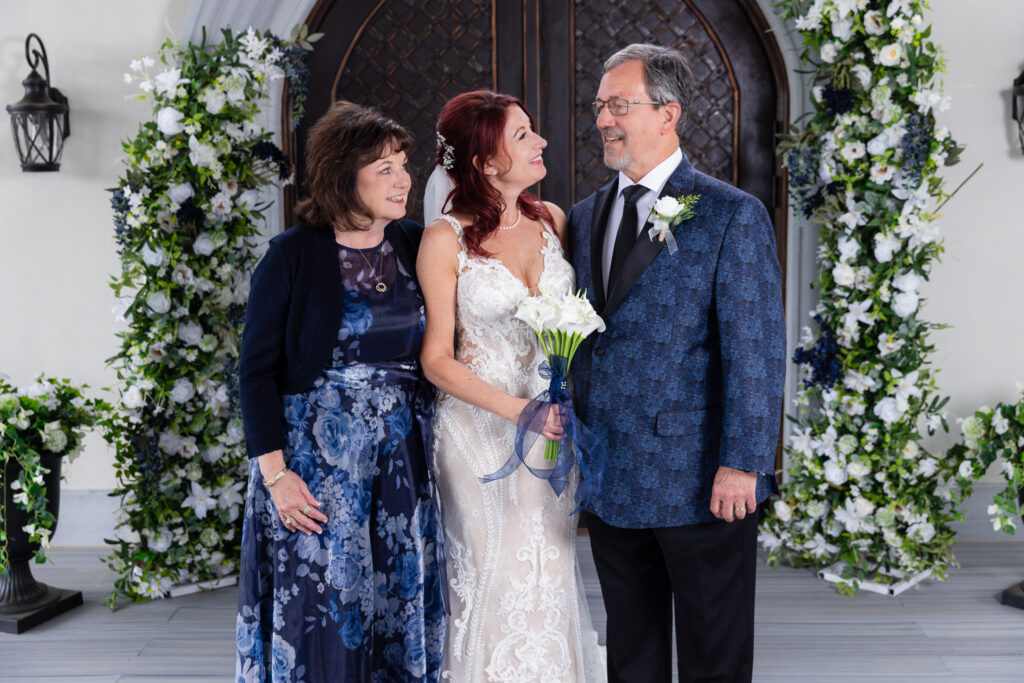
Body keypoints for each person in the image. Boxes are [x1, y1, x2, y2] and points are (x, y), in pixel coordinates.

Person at [568, 44, 786, 682]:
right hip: (611, 476)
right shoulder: (584, 217)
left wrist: (743, 464)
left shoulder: (730, 215)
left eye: (619, 105)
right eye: (600, 105)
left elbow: (756, 350)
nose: (604, 119)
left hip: (701, 479)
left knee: (712, 651)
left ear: (669, 114)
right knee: (630, 651)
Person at [235, 100, 446, 682]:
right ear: (341, 176)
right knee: (322, 611)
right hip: (314, 467)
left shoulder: (415, 242)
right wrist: (277, 477)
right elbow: (254, 372)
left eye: (404, 164)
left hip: (401, 464)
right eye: (385, 168)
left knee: (395, 605)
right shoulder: (292, 254)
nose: (403, 179)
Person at [418, 90, 605, 682]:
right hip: (479, 432)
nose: (541, 141)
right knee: (493, 570)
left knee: (548, 567)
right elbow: (436, 360)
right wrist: (517, 408)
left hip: (550, 429)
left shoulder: (554, 220)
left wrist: (552, 406)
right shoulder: (443, 240)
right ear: (485, 161)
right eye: (523, 135)